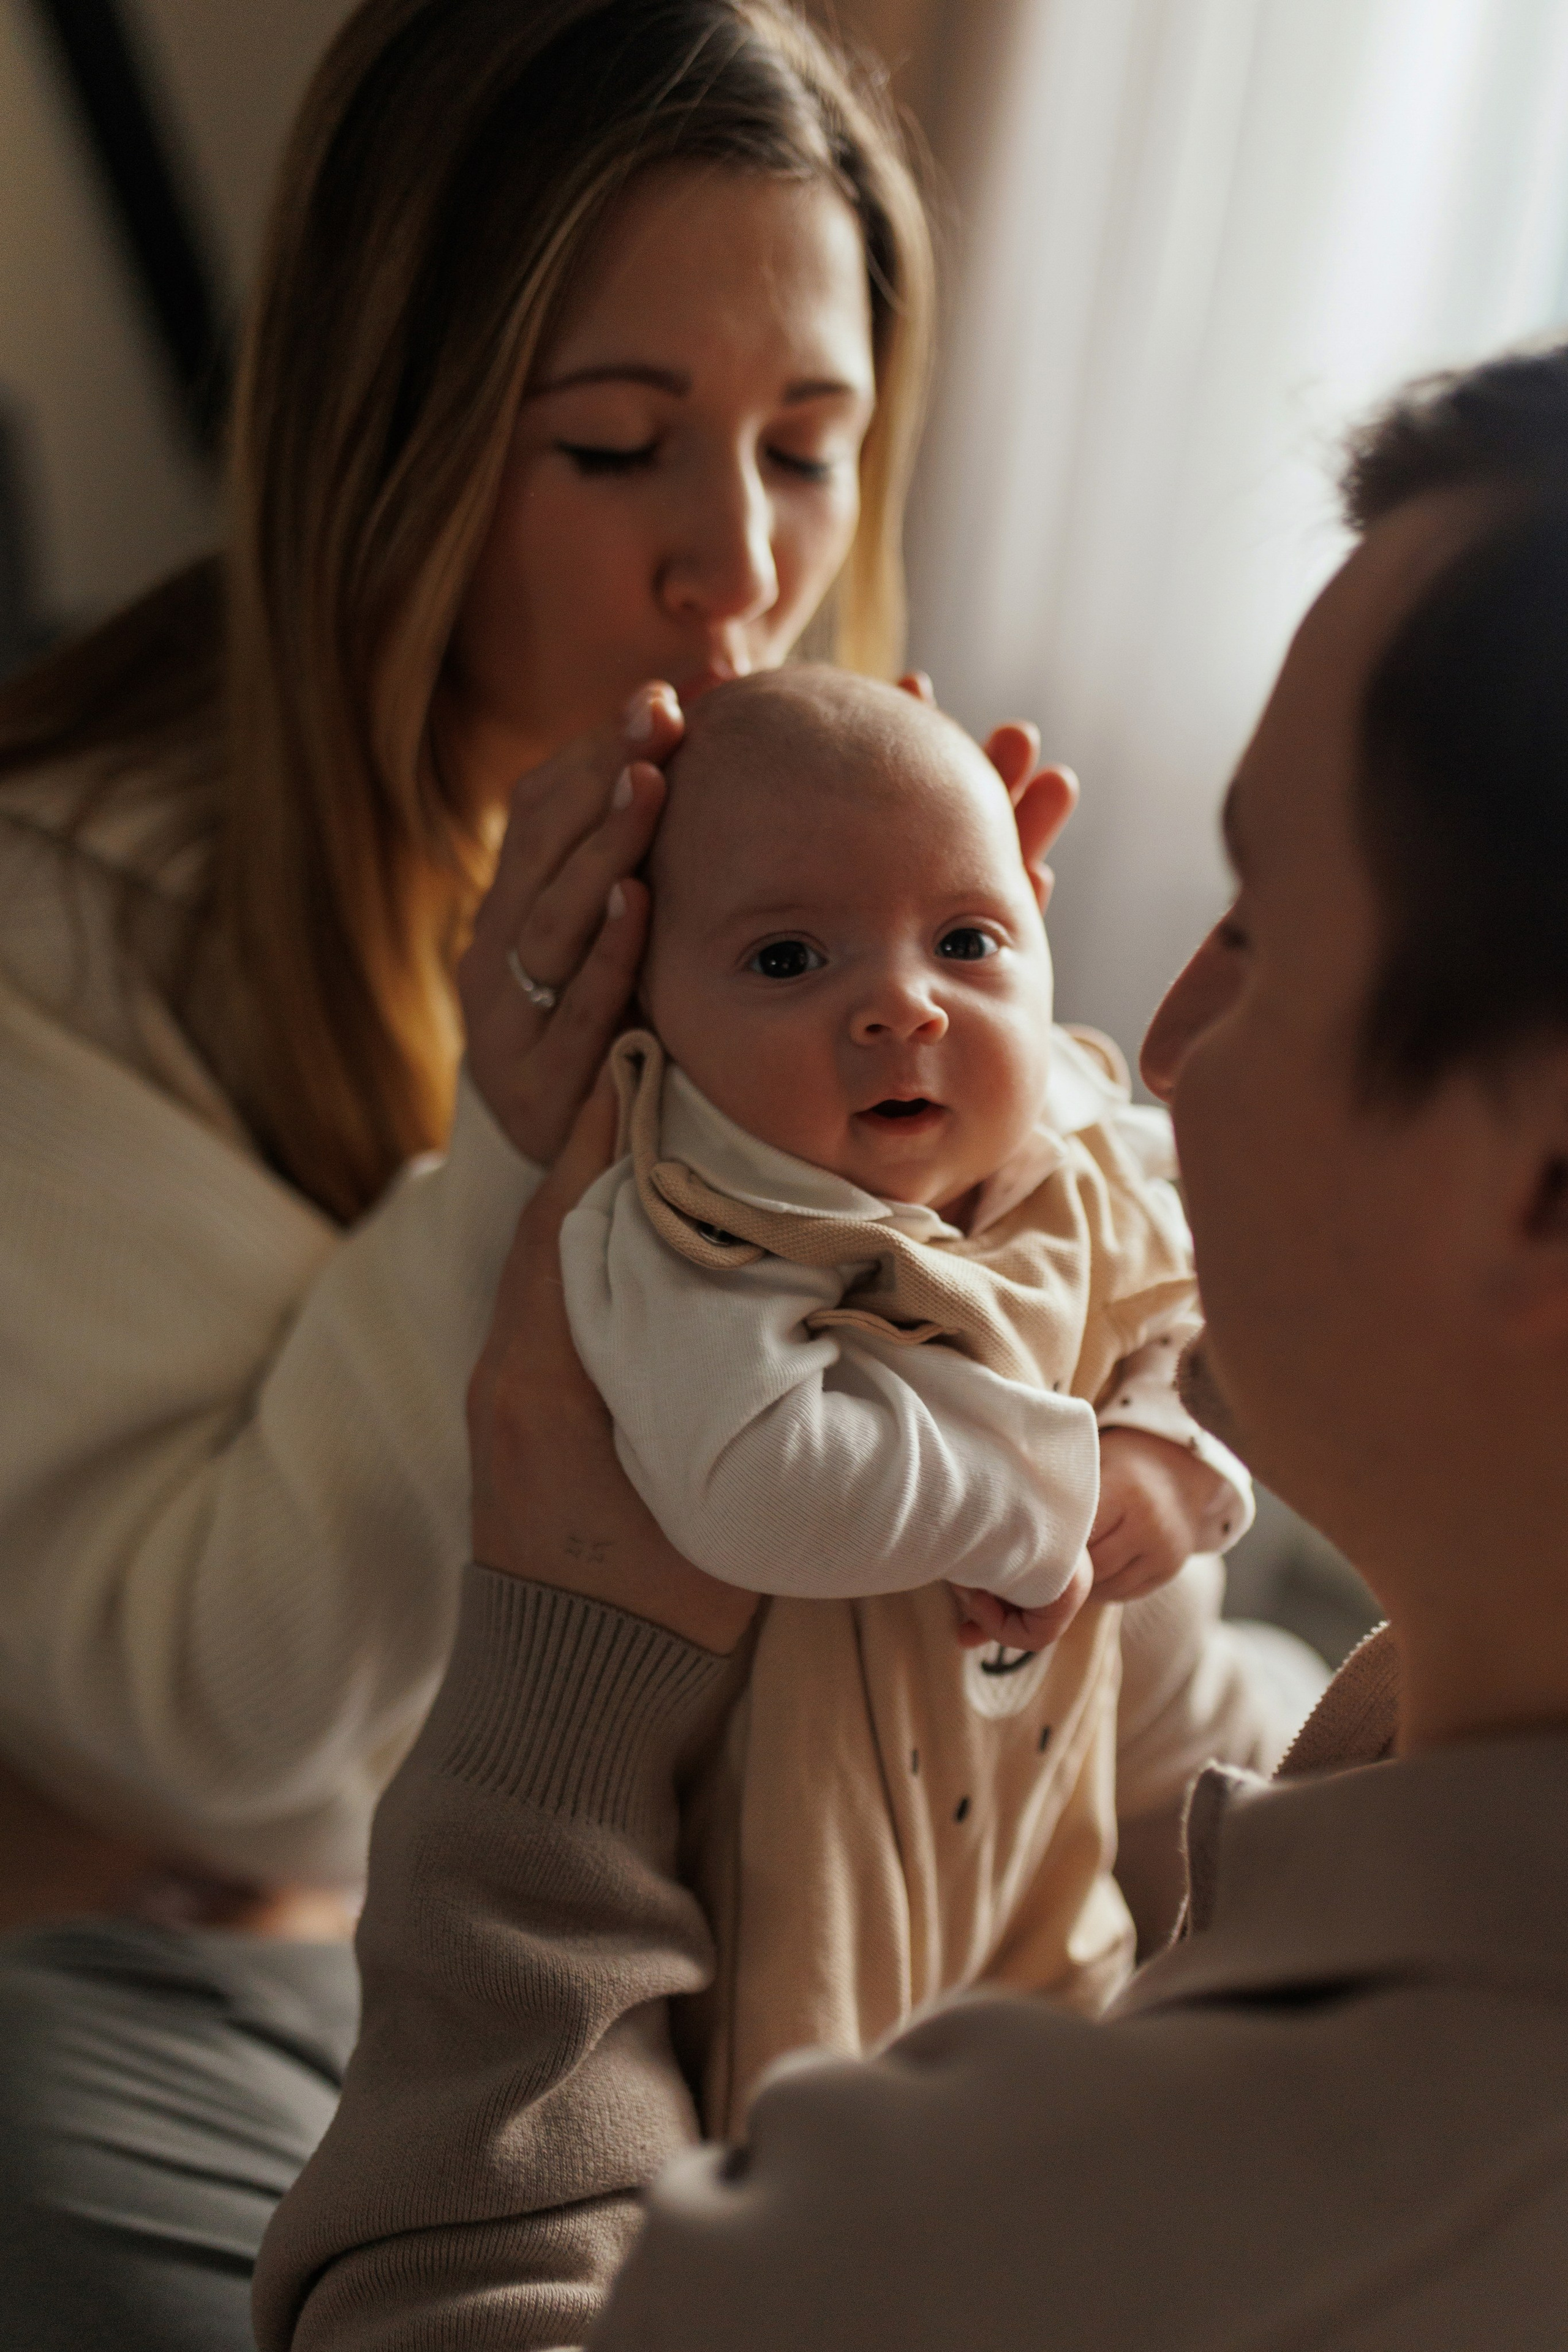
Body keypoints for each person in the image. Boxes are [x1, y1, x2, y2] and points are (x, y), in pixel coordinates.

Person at [254, 339, 1568, 2351]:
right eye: (793, 952)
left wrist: (558, 1689)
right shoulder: (1424, 1725)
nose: (1156, 1048)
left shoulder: (945, 2241)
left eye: (1261, 923)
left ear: (1539, 1178)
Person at [0, 3, 938, 2342]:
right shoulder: (66, 930)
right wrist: (513, 1157)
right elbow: (220, 1742)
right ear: (393, 439)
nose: (740, 569)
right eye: (617, 447)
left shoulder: (799, 905)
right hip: (204, 1971)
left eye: (810, 451)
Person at [563, 666, 1251, 2127]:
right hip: (805, 1885)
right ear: (647, 1010)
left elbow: (1204, 1310)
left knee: (1072, 2107)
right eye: (785, 959)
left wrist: (1161, 1457)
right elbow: (753, 1480)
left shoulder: (1077, 1143)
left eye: (964, 940)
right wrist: (1044, 1505)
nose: (899, 1003)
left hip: (1037, 1836)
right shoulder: (697, 1224)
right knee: (813, 2161)